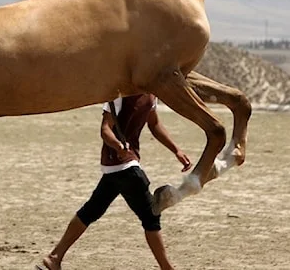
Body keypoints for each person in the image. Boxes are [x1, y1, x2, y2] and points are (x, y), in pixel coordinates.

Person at [38, 94, 192, 270]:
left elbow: (154, 124)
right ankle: (167, 268)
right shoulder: (119, 95)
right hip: (122, 163)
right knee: (151, 216)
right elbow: (105, 129)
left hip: (117, 167)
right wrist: (118, 146)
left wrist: (176, 150)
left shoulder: (151, 91)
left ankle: (54, 258)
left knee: (90, 211)